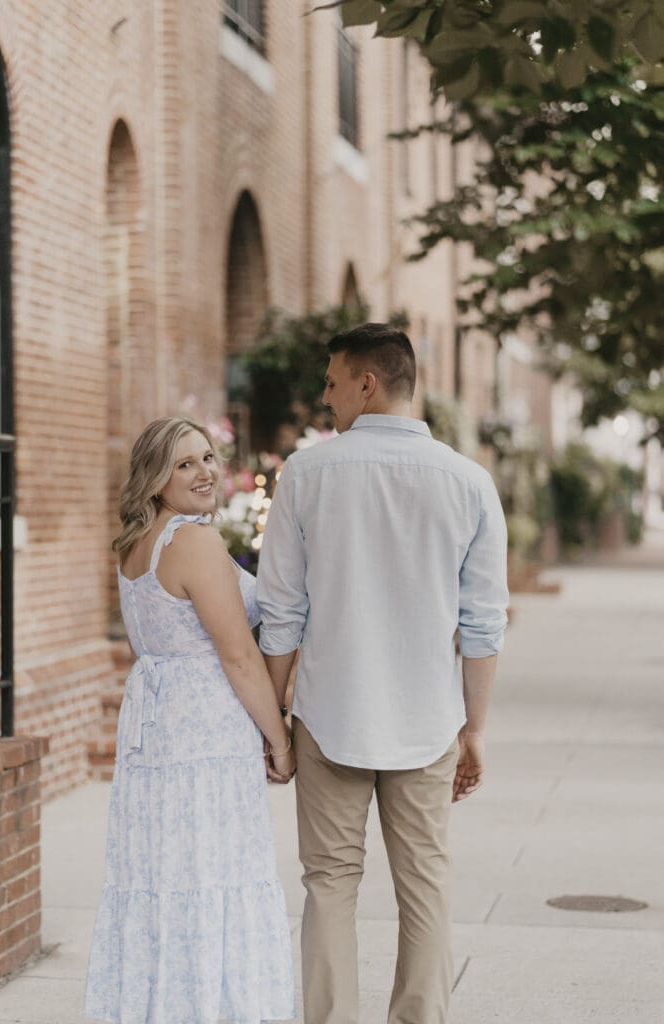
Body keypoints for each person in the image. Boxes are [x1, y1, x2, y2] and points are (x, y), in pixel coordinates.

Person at [257, 323, 509, 1024]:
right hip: (427, 719)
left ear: (367, 384)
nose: (325, 396)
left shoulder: (306, 475)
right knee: (425, 884)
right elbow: (484, 623)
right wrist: (474, 728)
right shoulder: (469, 482)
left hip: (329, 715)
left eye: (332, 382)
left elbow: (281, 613)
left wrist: (274, 717)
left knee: (329, 884)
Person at [85, 416, 296, 1024]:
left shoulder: (137, 543)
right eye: (185, 464)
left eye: (207, 457)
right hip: (204, 726)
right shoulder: (193, 542)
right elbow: (238, 655)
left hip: (155, 726)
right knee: (214, 868)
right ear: (156, 479)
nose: (204, 472)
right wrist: (279, 740)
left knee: (163, 870)